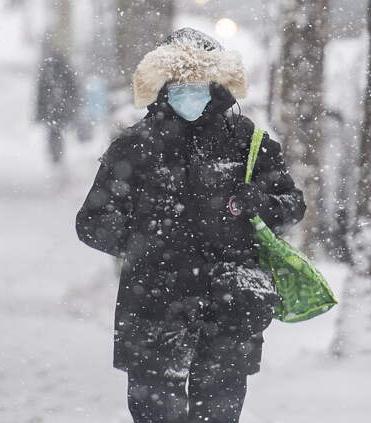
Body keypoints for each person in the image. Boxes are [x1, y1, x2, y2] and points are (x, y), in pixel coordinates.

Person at [76, 28, 306, 423]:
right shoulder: (136, 146)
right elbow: (92, 221)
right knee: (154, 410)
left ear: (218, 85)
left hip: (230, 302)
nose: (190, 94)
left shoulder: (248, 141)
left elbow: (292, 205)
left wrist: (262, 204)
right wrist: (143, 244)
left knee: (218, 410)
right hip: (154, 302)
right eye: (180, 85)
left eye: (199, 85)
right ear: (162, 85)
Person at [36, 35, 79, 164]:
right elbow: (73, 88)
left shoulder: (48, 69)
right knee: (56, 131)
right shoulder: (62, 68)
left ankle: (56, 155)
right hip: (58, 107)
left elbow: (41, 93)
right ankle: (57, 155)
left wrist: (40, 111)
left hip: (54, 108)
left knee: (54, 131)